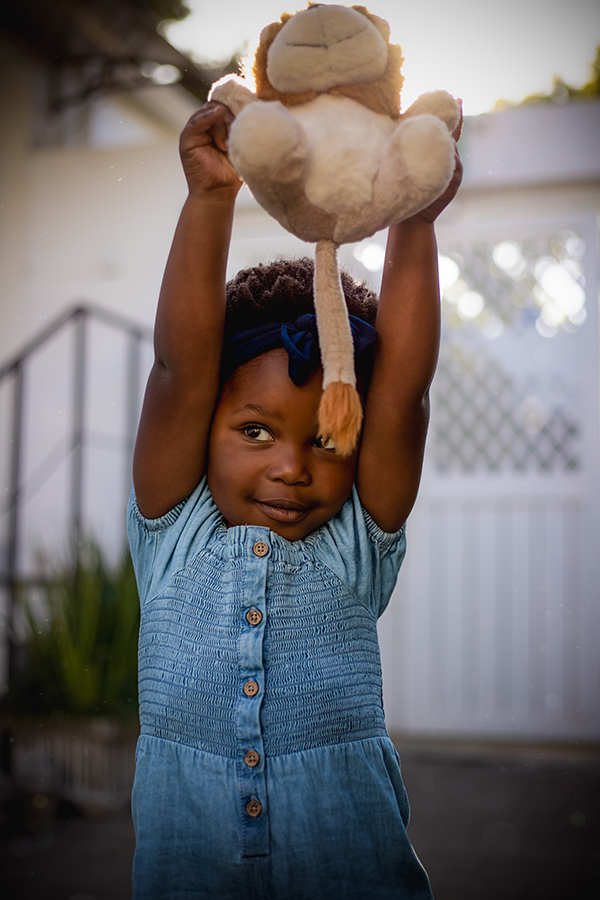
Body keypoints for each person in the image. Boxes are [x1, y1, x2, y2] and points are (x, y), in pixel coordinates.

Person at [127, 99, 462, 899]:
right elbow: (180, 368)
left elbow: (404, 389)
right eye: (253, 432)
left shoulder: (356, 540)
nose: (290, 468)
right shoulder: (174, 529)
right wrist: (211, 196)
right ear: (204, 426)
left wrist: (415, 212)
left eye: (325, 438)